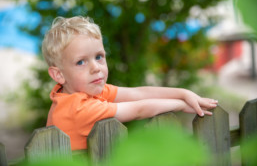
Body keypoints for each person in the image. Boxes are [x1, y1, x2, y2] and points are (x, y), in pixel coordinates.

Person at [42, 16, 218, 151]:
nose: (96, 67)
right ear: (58, 74)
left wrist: (183, 93)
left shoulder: (88, 91)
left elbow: (138, 93)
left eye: (99, 57)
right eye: (81, 62)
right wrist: (180, 104)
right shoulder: (76, 107)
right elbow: (139, 109)